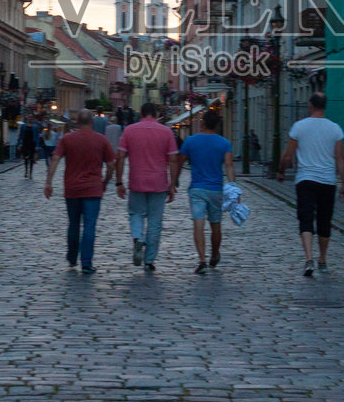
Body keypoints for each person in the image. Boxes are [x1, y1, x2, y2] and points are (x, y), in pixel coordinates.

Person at [276, 93, 344, 277]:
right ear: (325, 106)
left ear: (310, 105)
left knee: (306, 218)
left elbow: (288, 156)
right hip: (327, 181)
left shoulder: (299, 127)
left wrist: (281, 171)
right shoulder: (335, 129)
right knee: (325, 220)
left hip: (305, 180)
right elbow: (340, 158)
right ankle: (322, 259)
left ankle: (309, 259)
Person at [43, 108, 116, 274]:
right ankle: (86, 263)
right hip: (93, 189)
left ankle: (71, 257)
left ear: (76, 122)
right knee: (90, 225)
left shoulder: (67, 139)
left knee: (74, 223)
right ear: (92, 122)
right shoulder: (101, 140)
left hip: (72, 188)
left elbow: (55, 159)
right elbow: (111, 165)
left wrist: (48, 183)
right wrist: (106, 181)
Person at [171, 110, 236, 274]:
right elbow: (229, 165)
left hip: (197, 188)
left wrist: (174, 180)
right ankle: (214, 255)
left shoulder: (190, 141)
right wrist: (233, 186)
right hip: (216, 189)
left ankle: (202, 260)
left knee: (198, 223)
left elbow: (179, 161)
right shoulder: (224, 143)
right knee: (216, 224)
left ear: (202, 122)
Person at [115, 101, 178, 271]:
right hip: (159, 182)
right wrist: (172, 184)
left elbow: (120, 156)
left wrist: (119, 181)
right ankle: (149, 260)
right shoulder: (166, 132)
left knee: (135, 213)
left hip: (137, 181)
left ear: (141, 114)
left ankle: (137, 238)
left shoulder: (129, 130)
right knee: (155, 221)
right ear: (156, 114)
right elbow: (173, 160)